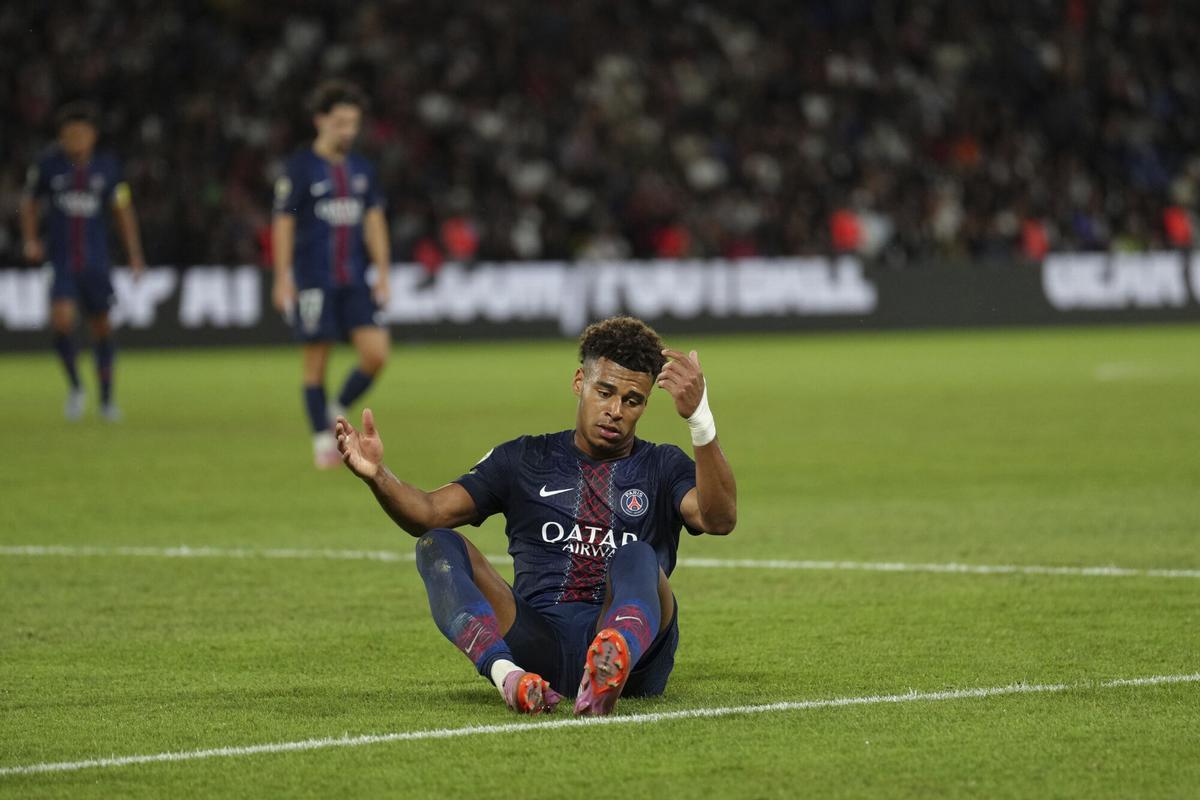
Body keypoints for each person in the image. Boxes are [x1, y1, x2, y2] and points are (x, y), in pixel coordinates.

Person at [334, 316, 738, 715]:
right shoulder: (525, 458)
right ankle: (507, 675)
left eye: (632, 401)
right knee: (436, 544)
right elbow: (429, 513)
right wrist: (377, 476)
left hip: (638, 661)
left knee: (637, 556)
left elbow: (717, 519)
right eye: (605, 391)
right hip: (538, 642)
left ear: (646, 404)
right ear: (580, 382)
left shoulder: (663, 466)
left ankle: (612, 657)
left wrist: (699, 420)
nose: (615, 410)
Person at [272, 80, 391, 469]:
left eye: (353, 123)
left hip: (354, 278)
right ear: (320, 121)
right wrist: (282, 276)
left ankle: (336, 406)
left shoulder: (362, 169)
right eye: (340, 123)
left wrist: (384, 272)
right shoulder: (300, 168)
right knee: (315, 363)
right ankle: (323, 441)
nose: (348, 131)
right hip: (314, 280)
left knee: (376, 354)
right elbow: (284, 224)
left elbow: (374, 221)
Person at [19, 101, 146, 421]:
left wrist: (134, 254)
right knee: (62, 321)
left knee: (101, 328)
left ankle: (106, 399)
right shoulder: (48, 166)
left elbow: (122, 211)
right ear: (61, 136)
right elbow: (29, 203)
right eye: (68, 133)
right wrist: (31, 239)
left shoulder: (108, 168)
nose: (74, 139)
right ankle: (76, 387)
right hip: (60, 261)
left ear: (92, 136)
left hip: (96, 262)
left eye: (80, 133)